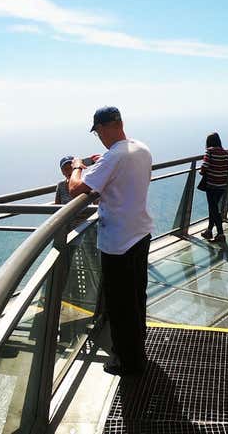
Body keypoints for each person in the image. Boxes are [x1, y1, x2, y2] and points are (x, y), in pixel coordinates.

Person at [67, 106, 154, 376]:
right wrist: (103, 160)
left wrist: (77, 168)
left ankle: (127, 362)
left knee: (120, 305)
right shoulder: (140, 148)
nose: (100, 137)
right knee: (137, 296)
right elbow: (117, 165)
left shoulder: (114, 157)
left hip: (118, 242)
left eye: (98, 132)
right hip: (140, 232)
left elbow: (75, 190)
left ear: (102, 128)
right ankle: (137, 348)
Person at [200, 132, 228, 242]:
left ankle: (220, 234)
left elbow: (204, 167)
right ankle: (209, 231)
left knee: (214, 209)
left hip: (211, 185)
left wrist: (202, 172)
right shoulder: (225, 153)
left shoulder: (209, 151)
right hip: (222, 185)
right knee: (213, 208)